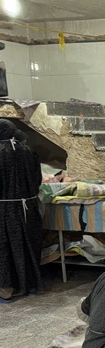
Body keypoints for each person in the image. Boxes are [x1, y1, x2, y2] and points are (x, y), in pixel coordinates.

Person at [0, 120, 43, 301]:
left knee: (5, 250)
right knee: (27, 247)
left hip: (4, 210)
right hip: (28, 209)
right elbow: (37, 180)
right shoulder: (29, 152)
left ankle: (6, 289)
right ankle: (30, 285)